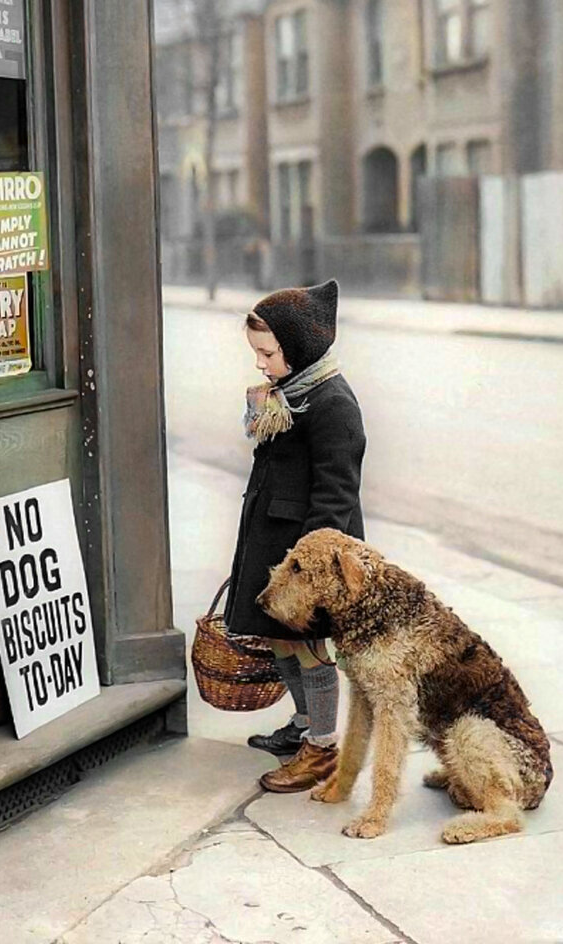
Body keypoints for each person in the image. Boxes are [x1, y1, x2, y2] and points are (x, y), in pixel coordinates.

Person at [223, 279, 366, 793]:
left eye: (267, 353)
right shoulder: (291, 394)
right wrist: (261, 411)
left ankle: (323, 748)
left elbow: (336, 496)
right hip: (275, 541)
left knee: (307, 648)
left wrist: (307, 572)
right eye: (257, 353)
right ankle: (305, 725)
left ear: (298, 349)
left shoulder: (333, 405)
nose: (261, 364)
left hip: (307, 554)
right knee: (279, 639)